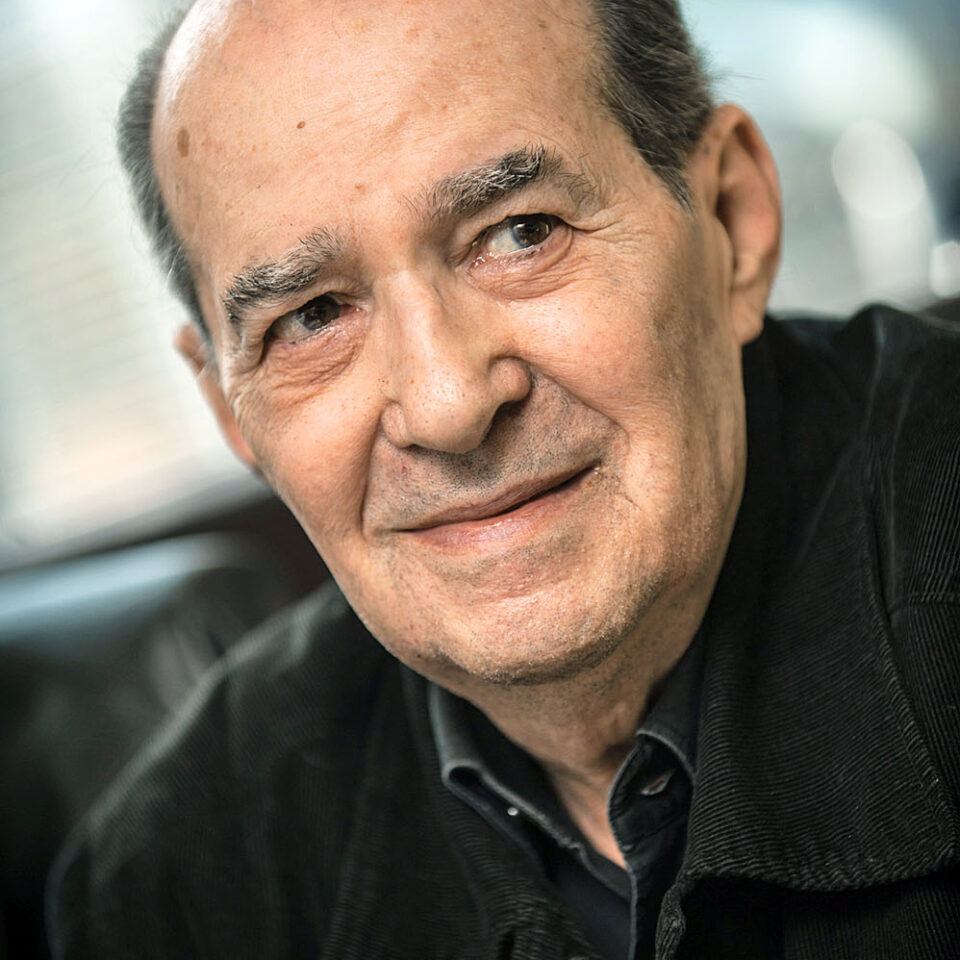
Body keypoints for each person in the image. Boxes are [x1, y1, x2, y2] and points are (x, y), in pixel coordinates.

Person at [48, 0, 960, 957]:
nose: (447, 405)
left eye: (522, 233)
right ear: (232, 411)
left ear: (731, 220)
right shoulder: (171, 884)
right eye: (312, 317)